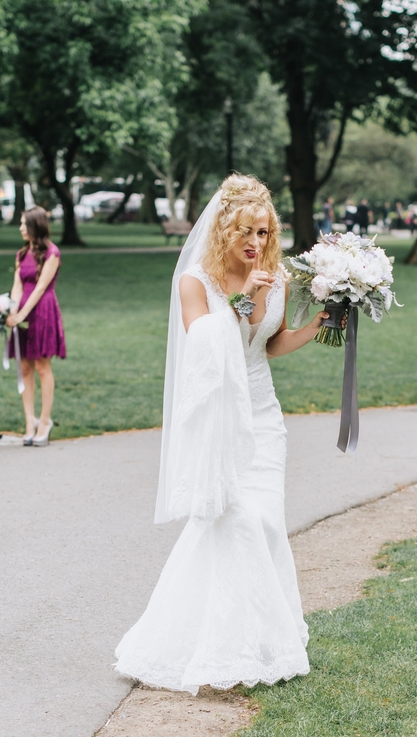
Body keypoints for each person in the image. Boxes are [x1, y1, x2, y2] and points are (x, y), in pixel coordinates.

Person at [115, 174, 331, 694]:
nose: (254, 242)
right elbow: (203, 341)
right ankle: (210, 646)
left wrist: (322, 321)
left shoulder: (275, 274)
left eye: (262, 231)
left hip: (265, 419)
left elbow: (269, 344)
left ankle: (263, 642)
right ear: (221, 229)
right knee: (236, 523)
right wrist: (240, 301)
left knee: (268, 525)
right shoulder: (196, 281)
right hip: (221, 420)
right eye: (244, 231)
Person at [6, 207, 66, 447]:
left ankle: (44, 421)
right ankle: (28, 421)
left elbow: (41, 287)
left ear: (36, 226)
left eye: (24, 224)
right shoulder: (21, 254)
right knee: (25, 367)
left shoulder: (52, 252)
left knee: (42, 366)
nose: (21, 228)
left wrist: (22, 313)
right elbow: (17, 285)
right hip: (21, 311)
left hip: (42, 310)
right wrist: (11, 311)